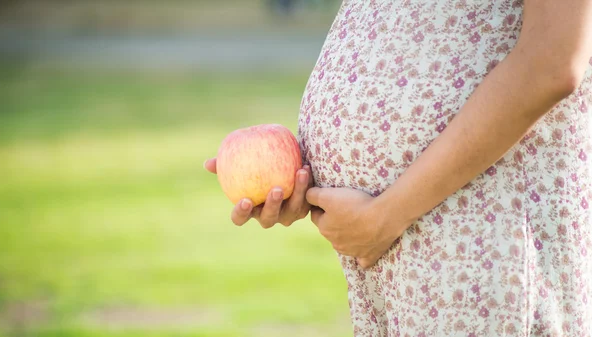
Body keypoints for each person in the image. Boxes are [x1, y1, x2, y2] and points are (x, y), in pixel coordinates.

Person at [205, 0, 592, 335]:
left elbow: (552, 61)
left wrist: (387, 214)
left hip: (480, 241)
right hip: (400, 250)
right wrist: (305, 181)